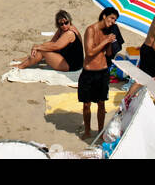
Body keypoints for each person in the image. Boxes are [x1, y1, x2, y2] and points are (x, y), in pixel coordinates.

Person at [78, 8, 122, 141]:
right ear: (104, 16)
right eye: (111, 18)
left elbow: (108, 54)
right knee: (86, 104)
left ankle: (101, 130)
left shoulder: (108, 32)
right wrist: (105, 41)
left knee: (101, 103)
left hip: (102, 71)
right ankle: (87, 130)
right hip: (88, 71)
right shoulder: (91, 30)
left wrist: (110, 42)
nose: (113, 21)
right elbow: (90, 52)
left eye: (115, 20)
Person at [17, 10, 84, 70]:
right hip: (66, 57)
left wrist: (37, 47)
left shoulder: (69, 33)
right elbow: (52, 42)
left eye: (66, 23)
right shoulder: (61, 29)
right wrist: (38, 46)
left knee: (42, 51)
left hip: (72, 65)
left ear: (70, 21)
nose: (64, 25)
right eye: (61, 24)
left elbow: (56, 46)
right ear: (58, 25)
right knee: (43, 47)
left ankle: (21, 66)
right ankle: (28, 58)